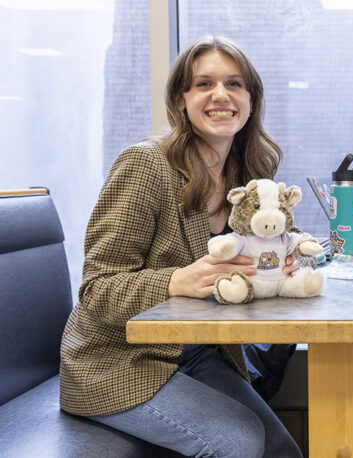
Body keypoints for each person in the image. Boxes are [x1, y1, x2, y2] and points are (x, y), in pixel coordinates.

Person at [59, 35, 306, 457]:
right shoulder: (145, 164)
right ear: (181, 99)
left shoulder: (250, 173)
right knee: (239, 443)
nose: (220, 95)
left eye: (234, 84)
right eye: (203, 84)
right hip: (118, 363)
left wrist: (282, 265)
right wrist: (175, 280)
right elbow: (96, 289)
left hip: (199, 353)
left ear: (251, 99)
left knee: (282, 450)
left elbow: (258, 259)